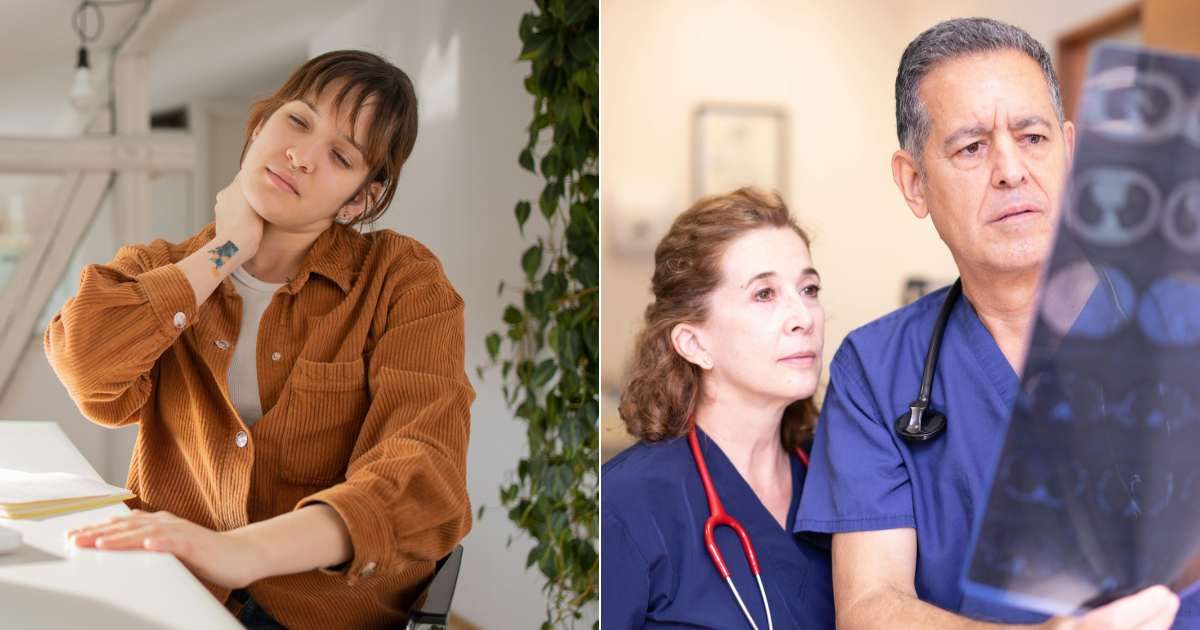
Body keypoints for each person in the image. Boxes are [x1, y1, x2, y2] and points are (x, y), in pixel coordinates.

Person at [45, 50, 473, 629]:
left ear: (360, 199)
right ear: (260, 125)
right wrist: (224, 252)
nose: (300, 156)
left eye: (341, 156)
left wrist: (239, 552)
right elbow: (85, 367)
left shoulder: (402, 281)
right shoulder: (162, 267)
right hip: (174, 591)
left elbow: (423, 473)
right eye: (297, 121)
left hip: (322, 612)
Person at [794, 17, 1190, 630]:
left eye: (1032, 137)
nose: (1010, 170)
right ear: (914, 182)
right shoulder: (877, 370)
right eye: (972, 147)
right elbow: (870, 606)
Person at [602, 188, 835, 628]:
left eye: (809, 288)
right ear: (694, 343)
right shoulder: (627, 504)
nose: (803, 316)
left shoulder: (840, 480)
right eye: (764, 294)